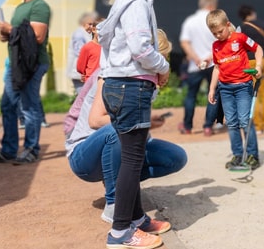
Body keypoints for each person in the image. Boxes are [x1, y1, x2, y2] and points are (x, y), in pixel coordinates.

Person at [65, 29, 187, 225]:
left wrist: (147, 121)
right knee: (118, 129)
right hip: (84, 155)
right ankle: (115, 205)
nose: (161, 65)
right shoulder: (110, 74)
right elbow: (95, 121)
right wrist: (139, 120)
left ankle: (120, 185)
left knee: (176, 157)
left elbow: (133, 122)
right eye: (159, 59)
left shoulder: (145, 81)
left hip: (116, 146)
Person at [97, 0, 174, 249]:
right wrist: (164, 67)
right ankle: (120, 233)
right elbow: (142, 50)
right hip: (131, 87)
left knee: (132, 156)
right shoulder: (138, 3)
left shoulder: (120, 3)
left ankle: (137, 218)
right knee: (132, 160)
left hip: (118, 86)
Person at [0, 0, 51, 165]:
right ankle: (8, 151)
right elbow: (20, 35)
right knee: (7, 105)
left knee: (29, 107)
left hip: (32, 64)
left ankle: (31, 149)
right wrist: (6, 35)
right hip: (16, 64)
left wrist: (10, 30)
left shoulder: (40, 6)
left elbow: (37, 37)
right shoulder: (20, 8)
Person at [206, 9, 263, 170]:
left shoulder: (240, 38)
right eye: (214, 33)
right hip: (225, 89)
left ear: (228, 24)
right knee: (231, 123)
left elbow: (258, 49)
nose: (218, 35)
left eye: (220, 31)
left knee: (245, 121)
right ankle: (237, 155)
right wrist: (212, 88)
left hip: (243, 86)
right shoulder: (216, 46)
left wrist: (258, 66)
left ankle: (252, 155)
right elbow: (217, 67)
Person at [178, 0, 222, 136]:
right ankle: (208, 126)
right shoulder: (215, 20)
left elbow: (184, 42)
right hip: (214, 64)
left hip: (195, 65)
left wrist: (196, 58)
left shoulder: (190, 21)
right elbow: (222, 41)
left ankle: (188, 126)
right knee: (213, 94)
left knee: (191, 95)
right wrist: (210, 57)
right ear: (211, 6)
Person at [237, 5, 264, 134]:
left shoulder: (241, 28)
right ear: (252, 13)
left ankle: (257, 126)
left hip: (251, 62)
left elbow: (237, 45)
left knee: (253, 94)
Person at [66, 12, 97, 94]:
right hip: (79, 72)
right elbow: (80, 52)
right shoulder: (79, 34)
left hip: (86, 71)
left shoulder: (86, 33)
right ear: (83, 23)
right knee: (84, 99)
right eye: (90, 24)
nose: (92, 26)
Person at [76, 17, 103, 83]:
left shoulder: (108, 47)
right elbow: (80, 67)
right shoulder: (87, 47)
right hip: (91, 82)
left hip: (104, 82)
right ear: (94, 29)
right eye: (101, 30)